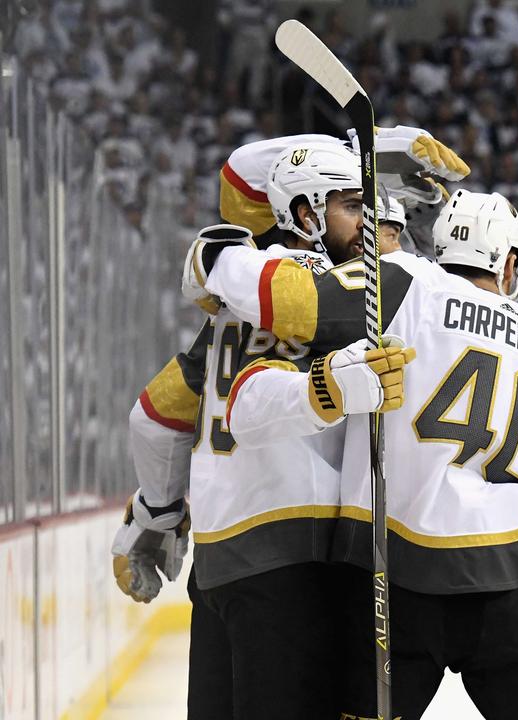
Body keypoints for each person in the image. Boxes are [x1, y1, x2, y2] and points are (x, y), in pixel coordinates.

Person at [195, 189, 518, 720]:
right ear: (509, 263)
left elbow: (288, 300)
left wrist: (218, 257)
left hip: (391, 583)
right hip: (515, 587)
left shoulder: (405, 280)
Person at [116, 128, 461, 718]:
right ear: (305, 212)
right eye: (357, 207)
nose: (374, 232)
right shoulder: (329, 288)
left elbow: (153, 417)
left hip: (219, 564)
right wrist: (368, 145)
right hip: (299, 561)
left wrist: (157, 512)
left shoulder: (231, 305)